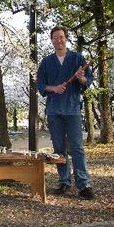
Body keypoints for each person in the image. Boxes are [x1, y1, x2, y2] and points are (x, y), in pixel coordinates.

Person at [37, 25, 95, 200]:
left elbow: (87, 81)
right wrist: (53, 88)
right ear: (52, 40)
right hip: (54, 111)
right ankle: (64, 182)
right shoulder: (46, 62)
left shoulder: (77, 58)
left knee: (77, 148)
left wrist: (80, 78)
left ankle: (84, 185)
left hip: (72, 110)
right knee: (59, 148)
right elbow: (40, 85)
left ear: (66, 38)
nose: (59, 40)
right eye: (55, 37)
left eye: (61, 37)